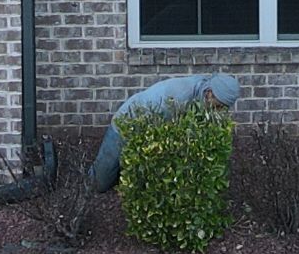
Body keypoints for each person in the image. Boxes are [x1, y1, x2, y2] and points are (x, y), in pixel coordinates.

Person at [89, 72, 239, 191]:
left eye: (223, 108)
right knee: (99, 184)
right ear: (210, 93)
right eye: (218, 106)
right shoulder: (179, 97)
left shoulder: (203, 93)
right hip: (128, 123)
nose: (219, 111)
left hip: (152, 128)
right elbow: (161, 134)